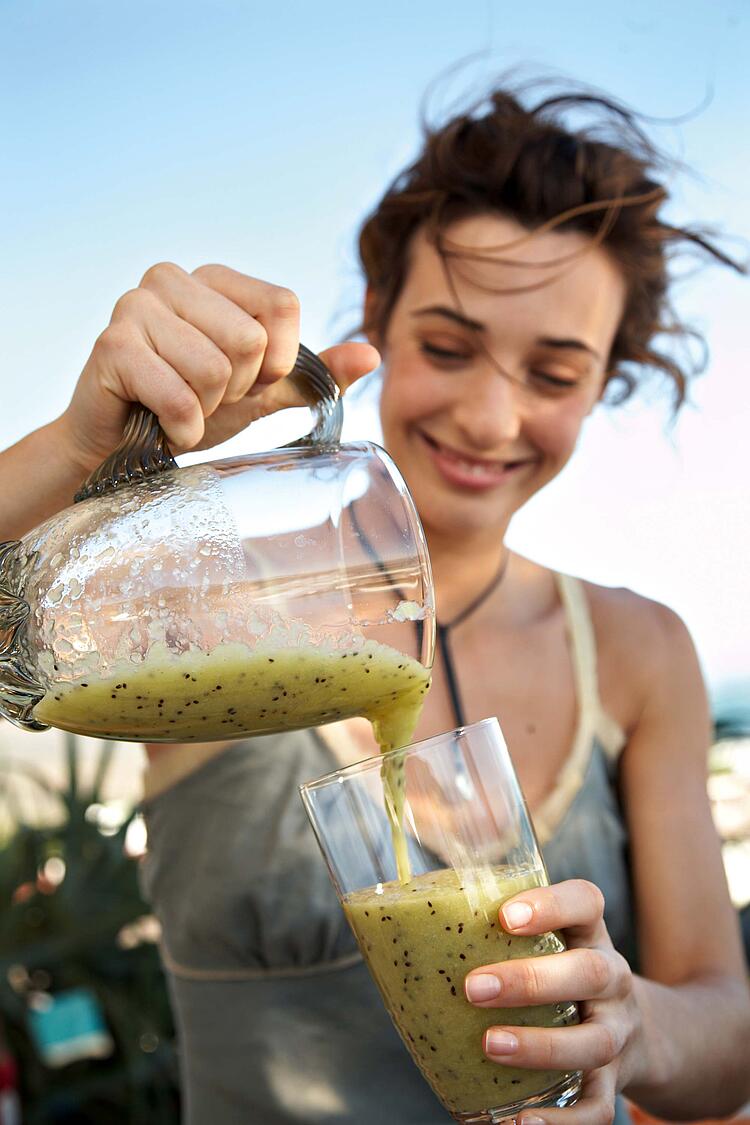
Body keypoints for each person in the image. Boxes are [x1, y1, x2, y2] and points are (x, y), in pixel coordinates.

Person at [2, 82, 749, 1125]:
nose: (491, 415)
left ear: (604, 382)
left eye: (555, 372)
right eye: (447, 347)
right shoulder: (210, 599)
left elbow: (728, 1032)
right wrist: (71, 451)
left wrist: (636, 1024)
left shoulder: (638, 648)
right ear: (379, 322)